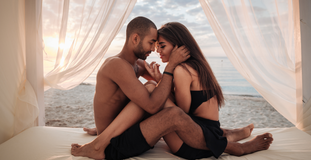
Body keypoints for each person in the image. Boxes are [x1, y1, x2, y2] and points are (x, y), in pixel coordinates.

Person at [71, 22, 273, 160]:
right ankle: (233, 145)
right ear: (135, 38)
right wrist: (168, 71)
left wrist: (163, 78)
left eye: (159, 45)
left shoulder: (139, 65)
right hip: (114, 145)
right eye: (152, 43)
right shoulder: (118, 65)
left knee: (152, 89)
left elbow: (162, 93)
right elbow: (156, 103)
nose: (154, 50)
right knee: (159, 99)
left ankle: (228, 135)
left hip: (130, 132)